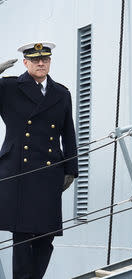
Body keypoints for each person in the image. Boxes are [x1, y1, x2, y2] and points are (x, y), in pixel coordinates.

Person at [0, 42, 78, 279]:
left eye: (45, 59)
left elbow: (68, 133)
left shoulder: (61, 93)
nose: (41, 63)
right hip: (18, 170)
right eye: (35, 60)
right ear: (26, 62)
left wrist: (71, 169)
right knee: (22, 236)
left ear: (50, 62)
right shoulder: (9, 87)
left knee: (47, 235)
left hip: (49, 170)